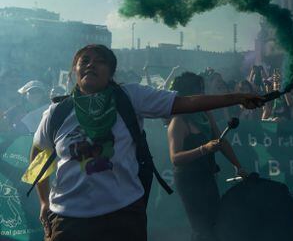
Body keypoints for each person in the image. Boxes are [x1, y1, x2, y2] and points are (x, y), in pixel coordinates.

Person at [30, 44, 263, 241]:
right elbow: (38, 154)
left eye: (100, 61)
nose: (91, 64)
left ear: (111, 73)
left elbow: (186, 103)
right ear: (75, 70)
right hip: (68, 220)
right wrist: (43, 201)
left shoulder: (130, 97)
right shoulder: (56, 113)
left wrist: (237, 97)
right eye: (85, 61)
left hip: (122, 217)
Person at [168, 72, 247, 241]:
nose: (203, 95)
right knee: (201, 228)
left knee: (214, 223)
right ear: (189, 94)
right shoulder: (178, 122)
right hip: (188, 180)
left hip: (207, 175)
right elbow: (175, 158)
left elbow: (221, 141)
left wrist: (238, 166)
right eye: (199, 90)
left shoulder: (205, 114)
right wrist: (204, 148)